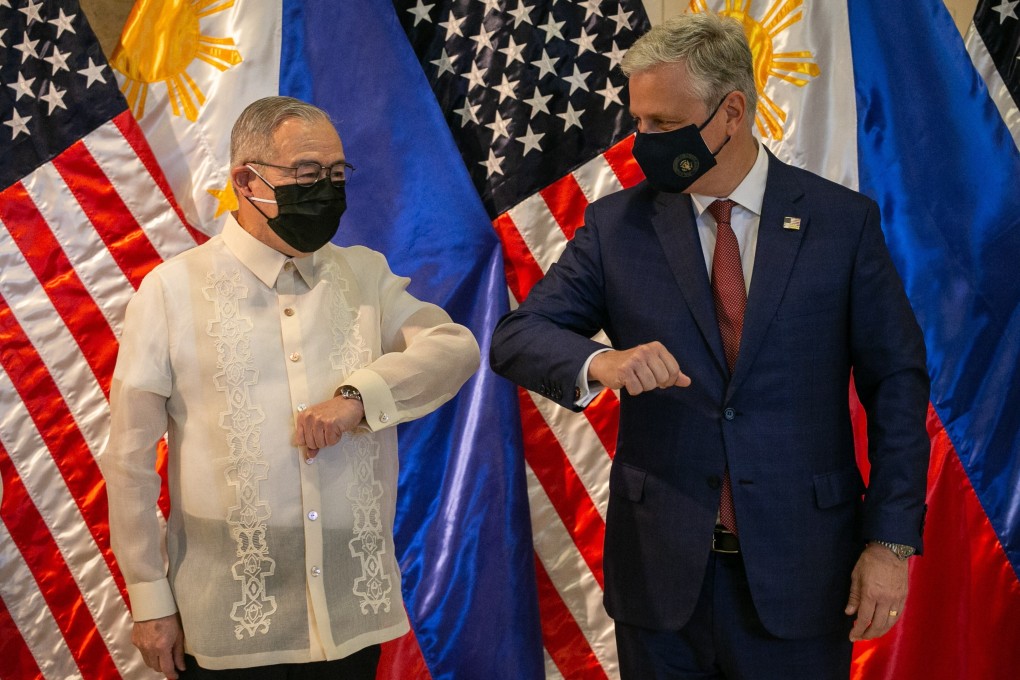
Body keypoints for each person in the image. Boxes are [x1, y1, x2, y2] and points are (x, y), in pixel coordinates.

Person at [490, 13, 930, 680]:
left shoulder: (842, 223)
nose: (644, 141)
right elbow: (517, 338)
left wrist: (890, 542)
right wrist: (601, 361)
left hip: (805, 571)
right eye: (640, 121)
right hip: (662, 579)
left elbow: (896, 383)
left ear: (732, 112)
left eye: (663, 123)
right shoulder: (618, 226)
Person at [101, 96, 480, 679]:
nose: (327, 189)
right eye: (308, 173)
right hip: (228, 620)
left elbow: (453, 348)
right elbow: (128, 463)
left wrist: (359, 398)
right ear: (246, 181)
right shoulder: (170, 291)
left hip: (349, 617)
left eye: (336, 173)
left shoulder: (363, 273)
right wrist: (150, 600)